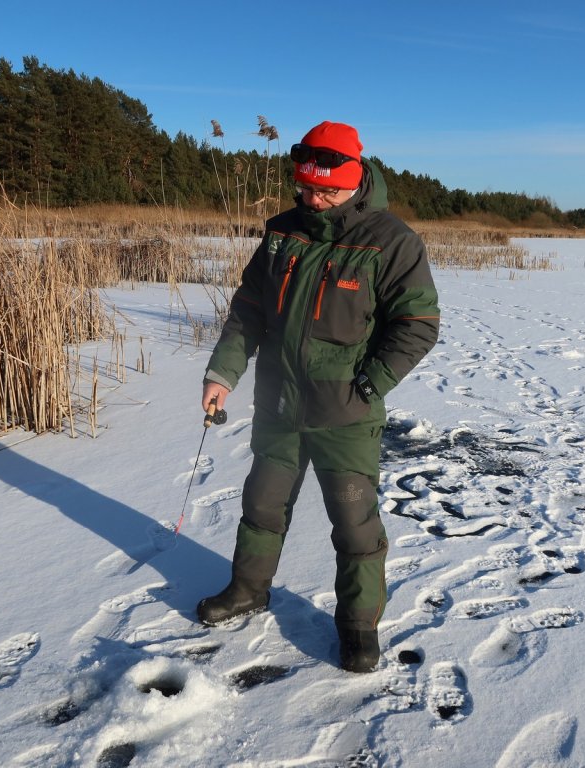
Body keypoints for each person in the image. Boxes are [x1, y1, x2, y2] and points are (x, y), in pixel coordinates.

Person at [196, 120, 440, 673]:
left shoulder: (391, 241)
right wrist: (223, 373)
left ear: (353, 182)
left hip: (346, 415)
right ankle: (247, 589)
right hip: (278, 404)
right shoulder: (283, 232)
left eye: (325, 190)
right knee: (261, 505)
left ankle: (358, 628)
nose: (313, 199)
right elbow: (249, 311)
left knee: (355, 525)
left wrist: (369, 384)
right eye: (304, 188)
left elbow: (419, 324)